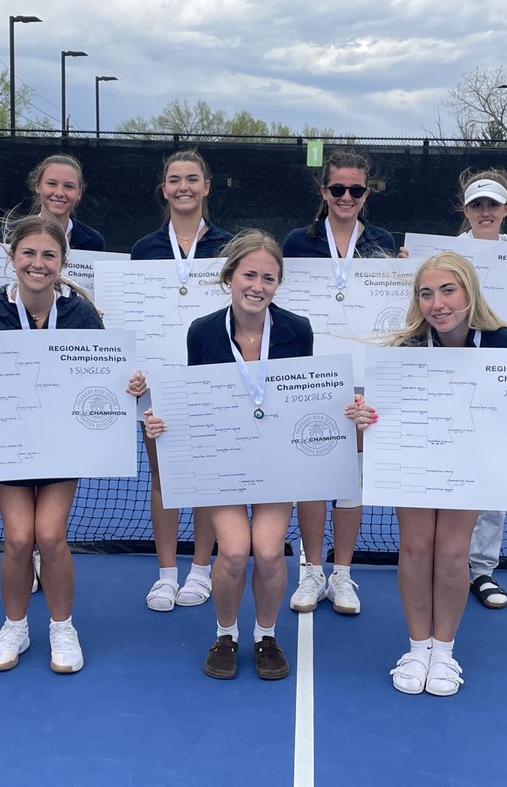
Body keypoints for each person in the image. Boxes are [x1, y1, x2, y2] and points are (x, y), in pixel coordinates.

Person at [352, 252, 507, 696]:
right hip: (418, 463)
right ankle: (417, 647)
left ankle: (444, 650)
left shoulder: (501, 340)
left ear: (469, 293)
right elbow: (383, 419)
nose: (436, 303)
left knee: (451, 551)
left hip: (470, 464)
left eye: (447, 290)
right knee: (416, 546)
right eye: (426, 293)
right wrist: (365, 421)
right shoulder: (407, 348)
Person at [0, 216, 146, 674]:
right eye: (28, 253)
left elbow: (100, 379)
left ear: (62, 262)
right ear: (12, 258)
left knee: (50, 535)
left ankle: (62, 626)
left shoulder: (82, 315)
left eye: (48, 255)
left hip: (64, 446)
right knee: (19, 538)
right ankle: (15, 625)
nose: (38, 264)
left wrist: (130, 384)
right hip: (9, 445)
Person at [144, 229, 314, 680]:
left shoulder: (298, 330)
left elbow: (305, 396)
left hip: (277, 461)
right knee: (236, 551)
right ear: (229, 277)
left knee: (270, 552)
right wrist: (164, 421)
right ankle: (225, 634)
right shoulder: (202, 332)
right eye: (249, 275)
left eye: (269, 278)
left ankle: (265, 635)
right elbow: (195, 398)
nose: (258, 286)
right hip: (222, 459)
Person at [281, 150, 396, 617]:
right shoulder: (296, 242)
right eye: (337, 189)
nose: (346, 197)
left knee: (351, 479)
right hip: (309, 376)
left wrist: (401, 270)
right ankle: (311, 568)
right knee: (311, 472)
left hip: (365, 378)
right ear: (323, 191)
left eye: (355, 190)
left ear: (366, 194)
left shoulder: (384, 243)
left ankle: (343, 575)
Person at [131, 150, 232, 612]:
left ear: (207, 186)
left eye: (193, 179)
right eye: (175, 179)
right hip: (158, 382)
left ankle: (201, 570)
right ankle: (167, 574)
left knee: (208, 478)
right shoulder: (144, 250)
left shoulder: (229, 247)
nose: (184, 187)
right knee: (162, 475)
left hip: (213, 379)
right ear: (164, 187)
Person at [455, 168, 507, 611]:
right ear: (466, 210)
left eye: (492, 205)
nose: (485, 212)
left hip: (500, 373)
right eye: (477, 205)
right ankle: (449, 562)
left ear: (505, 209)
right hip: (450, 374)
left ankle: (482, 569)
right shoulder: (445, 254)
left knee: (494, 474)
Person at [28, 154, 105, 250]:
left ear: (79, 193)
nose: (59, 193)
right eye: (52, 184)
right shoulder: (10, 233)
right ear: (37, 186)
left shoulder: (94, 241)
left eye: (68, 186)